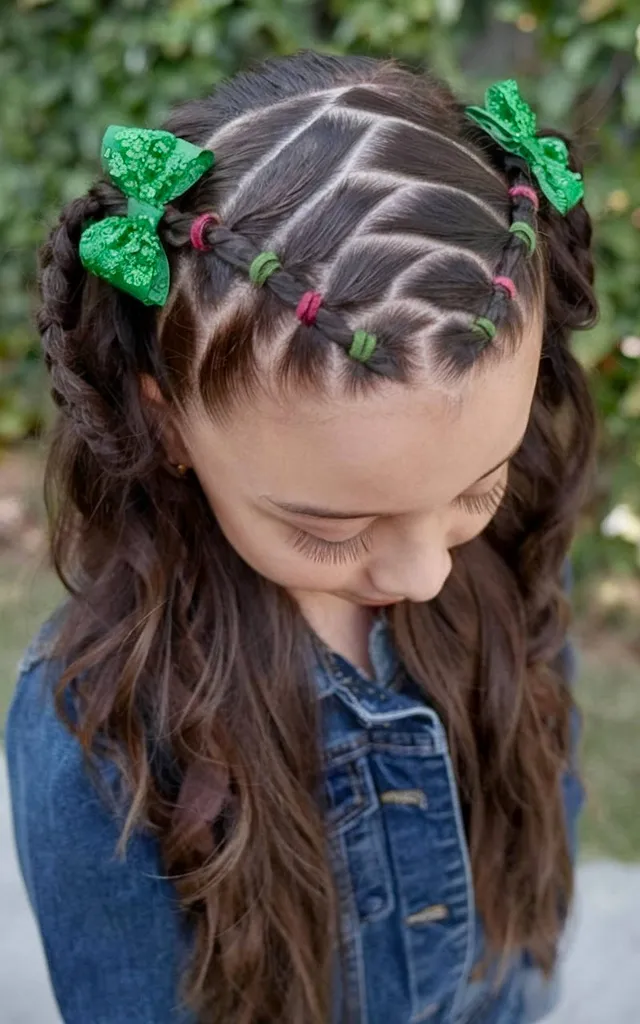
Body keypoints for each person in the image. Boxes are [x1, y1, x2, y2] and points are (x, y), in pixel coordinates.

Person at [6, 50, 596, 1024]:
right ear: (167, 425)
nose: (425, 568)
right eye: (331, 526)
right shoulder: (98, 736)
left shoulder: (516, 565)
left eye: (476, 486)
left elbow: (527, 929)